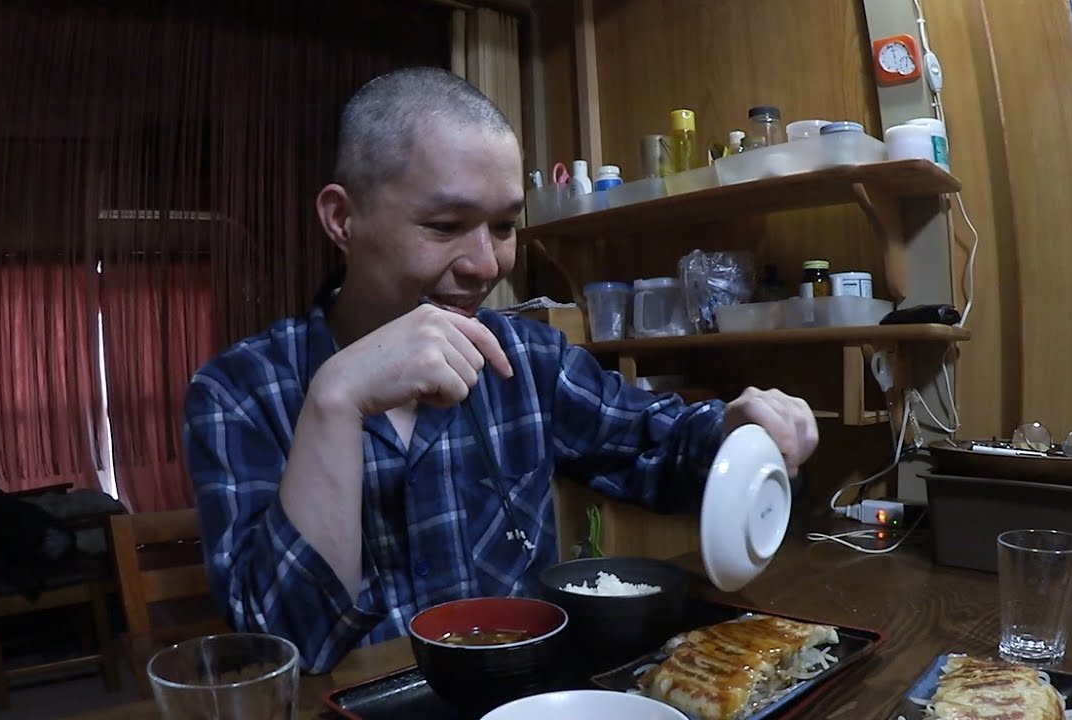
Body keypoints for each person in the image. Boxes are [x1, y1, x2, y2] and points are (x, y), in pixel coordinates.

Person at [183, 66, 819, 673]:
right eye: (445, 225)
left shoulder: (525, 360)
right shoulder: (241, 392)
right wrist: (335, 401)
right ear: (342, 219)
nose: (487, 264)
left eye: (505, 225)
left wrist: (736, 428)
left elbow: (662, 450)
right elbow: (284, 648)